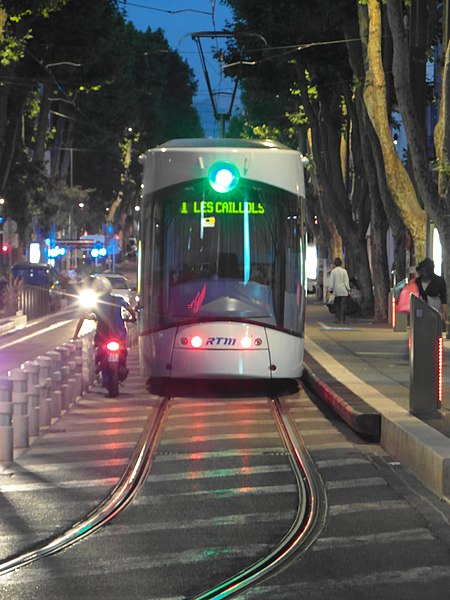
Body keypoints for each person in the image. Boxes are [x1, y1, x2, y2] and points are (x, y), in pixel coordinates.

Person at [72, 275, 137, 380]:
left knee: (98, 350)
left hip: (103, 335)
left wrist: (75, 335)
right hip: (119, 334)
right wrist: (133, 318)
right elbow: (131, 311)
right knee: (123, 350)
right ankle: (122, 366)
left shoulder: (96, 304)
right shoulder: (119, 300)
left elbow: (82, 317)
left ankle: (98, 367)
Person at [416, 258, 447, 330]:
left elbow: (443, 298)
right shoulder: (417, 282)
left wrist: (443, 313)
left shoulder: (439, 281)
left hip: (435, 310)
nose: (424, 273)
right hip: (420, 310)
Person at [328, 257, 350, 324]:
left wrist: (330, 289)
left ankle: (337, 318)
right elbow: (346, 282)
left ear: (335, 264)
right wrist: (348, 289)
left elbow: (331, 282)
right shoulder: (344, 271)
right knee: (343, 305)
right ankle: (343, 319)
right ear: (341, 263)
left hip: (336, 291)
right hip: (344, 291)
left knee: (337, 305)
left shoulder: (333, 272)